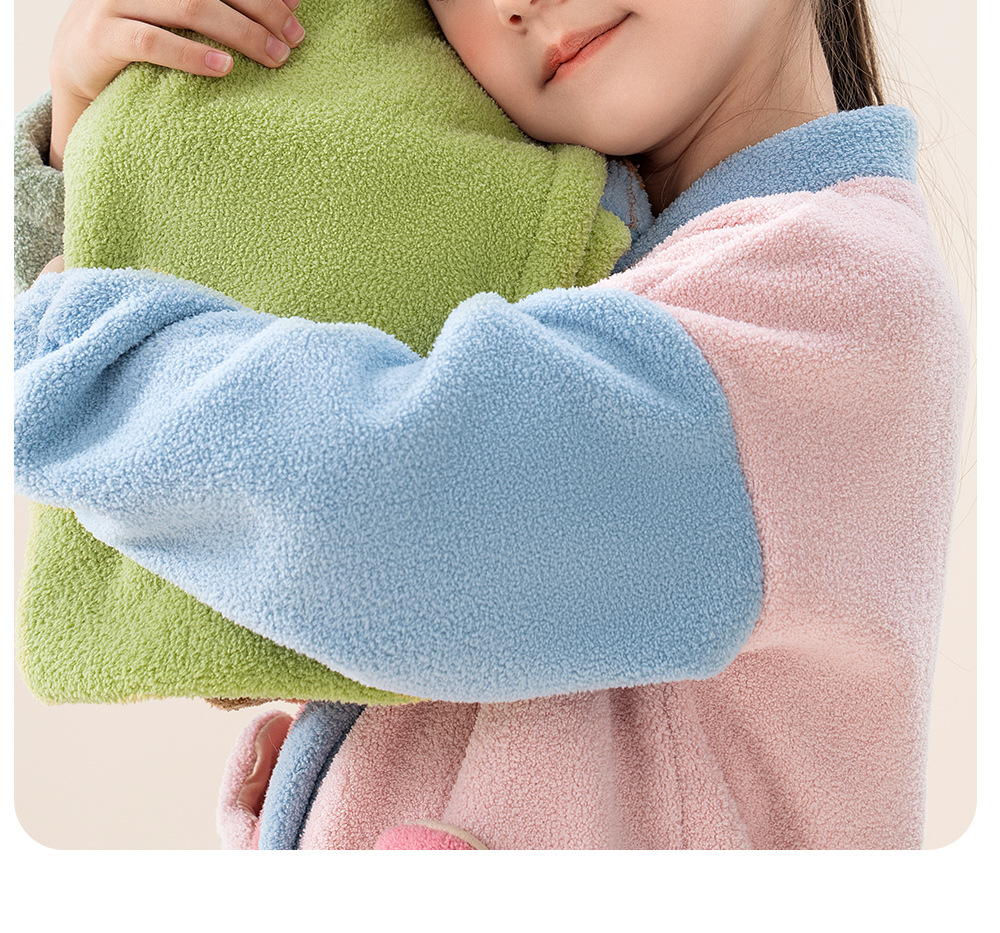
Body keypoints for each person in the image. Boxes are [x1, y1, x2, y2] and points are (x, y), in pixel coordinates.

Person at [14, 0, 970, 848]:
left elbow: (383, 520)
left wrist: (64, 359)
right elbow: (242, 549)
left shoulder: (839, 300)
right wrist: (95, 146)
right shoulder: (567, 252)